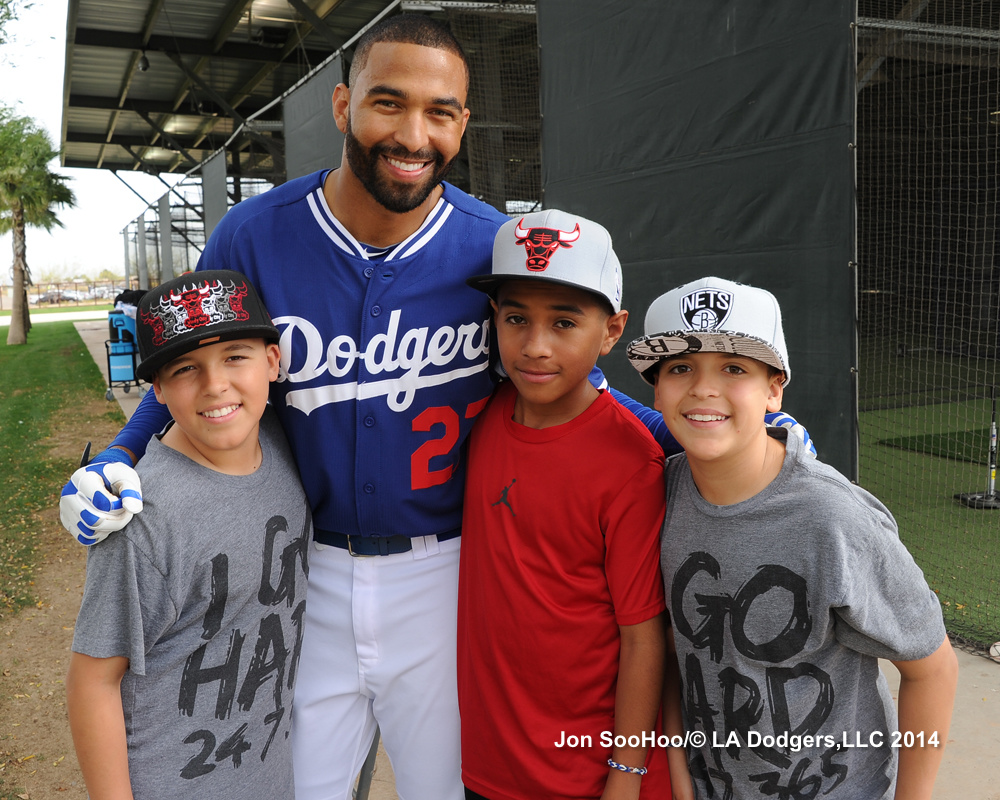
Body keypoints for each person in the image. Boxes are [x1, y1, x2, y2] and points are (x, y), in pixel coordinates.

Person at [626, 276, 958, 800]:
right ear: (656, 387)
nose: (703, 388)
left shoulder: (833, 516)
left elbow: (932, 668)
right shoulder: (658, 494)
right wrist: (679, 769)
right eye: (680, 367)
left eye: (734, 368)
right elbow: (674, 648)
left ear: (774, 388)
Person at [458, 210, 690, 800]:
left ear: (612, 331)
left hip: (590, 774)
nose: (535, 347)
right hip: (493, 761)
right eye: (516, 319)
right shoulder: (481, 417)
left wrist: (627, 774)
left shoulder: (631, 462)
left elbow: (644, 637)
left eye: (564, 322)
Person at [66, 270, 312, 799]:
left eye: (235, 357)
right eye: (185, 368)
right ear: (156, 388)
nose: (215, 385)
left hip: (267, 773)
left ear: (273, 361)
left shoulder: (283, 443)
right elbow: (94, 680)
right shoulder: (145, 520)